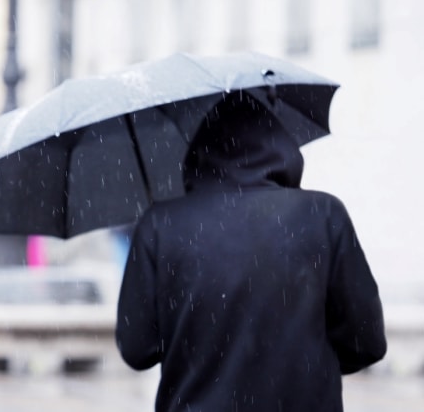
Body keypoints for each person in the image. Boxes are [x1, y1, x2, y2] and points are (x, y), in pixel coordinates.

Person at [116, 93, 386, 412]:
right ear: (282, 148)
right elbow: (366, 343)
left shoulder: (160, 224)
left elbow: (138, 349)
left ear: (200, 152)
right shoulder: (323, 214)